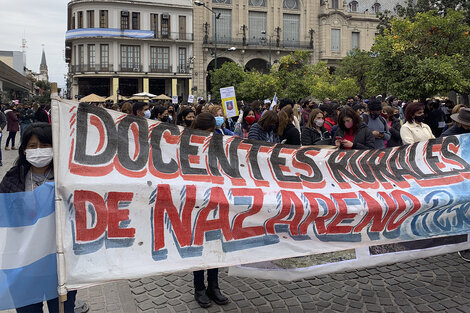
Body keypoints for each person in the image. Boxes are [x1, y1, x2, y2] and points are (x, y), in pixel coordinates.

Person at [0, 123, 84, 313]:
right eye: (32, 146)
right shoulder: (12, 179)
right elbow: (5, 220)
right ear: (24, 151)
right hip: (24, 266)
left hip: (59, 265)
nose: (39, 151)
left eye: (45, 145)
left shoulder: (67, 179)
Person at [189, 113, 230, 308]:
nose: (209, 134)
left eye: (212, 131)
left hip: (216, 199)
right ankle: (199, 288)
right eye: (207, 131)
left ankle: (214, 286)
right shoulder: (186, 143)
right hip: (195, 201)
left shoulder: (217, 142)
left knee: (215, 244)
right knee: (199, 246)